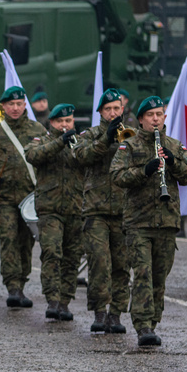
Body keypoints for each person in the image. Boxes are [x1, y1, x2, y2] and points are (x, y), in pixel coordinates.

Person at [110, 96, 187, 347]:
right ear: (140, 119)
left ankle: (153, 320)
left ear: (164, 118)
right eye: (150, 115)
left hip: (167, 222)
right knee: (143, 275)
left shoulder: (174, 145)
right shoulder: (129, 146)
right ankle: (143, 325)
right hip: (139, 222)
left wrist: (172, 162)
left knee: (159, 277)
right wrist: (144, 171)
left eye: (159, 114)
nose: (156, 119)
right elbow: (116, 176)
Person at [0, 86, 47, 308]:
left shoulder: (38, 129)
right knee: (8, 239)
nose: (16, 108)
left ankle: (22, 280)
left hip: (30, 198)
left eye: (19, 104)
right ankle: (13, 287)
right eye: (11, 104)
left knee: (26, 242)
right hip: (4, 198)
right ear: (4, 107)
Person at [72, 88, 129, 333]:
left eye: (117, 108)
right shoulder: (90, 134)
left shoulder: (130, 134)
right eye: (108, 109)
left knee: (122, 265)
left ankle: (115, 314)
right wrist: (106, 138)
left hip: (124, 210)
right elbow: (82, 156)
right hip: (95, 210)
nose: (113, 113)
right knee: (98, 262)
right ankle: (99, 312)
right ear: (100, 112)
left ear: (122, 109)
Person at [24, 103, 84, 321]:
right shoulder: (43, 141)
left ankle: (65, 301)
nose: (65, 125)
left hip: (76, 208)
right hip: (50, 209)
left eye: (68, 121)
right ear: (52, 123)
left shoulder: (80, 144)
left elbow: (92, 157)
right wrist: (60, 142)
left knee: (72, 257)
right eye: (60, 121)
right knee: (51, 252)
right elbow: (33, 155)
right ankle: (53, 300)